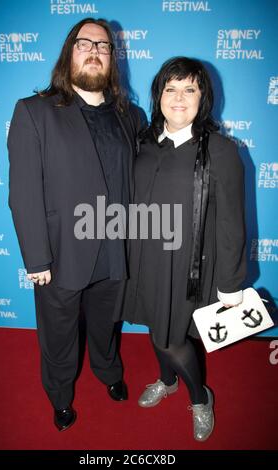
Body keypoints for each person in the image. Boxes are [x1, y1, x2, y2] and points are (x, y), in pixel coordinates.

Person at [8, 18, 143, 432]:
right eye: (84, 43)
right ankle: (61, 396)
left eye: (103, 46)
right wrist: (36, 257)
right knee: (60, 335)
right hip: (60, 253)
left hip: (115, 252)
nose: (94, 51)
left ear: (112, 59)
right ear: (69, 54)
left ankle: (108, 373)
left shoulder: (131, 116)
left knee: (106, 325)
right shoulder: (34, 111)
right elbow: (24, 191)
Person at [114, 57, 246, 441]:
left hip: (188, 265)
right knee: (158, 327)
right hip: (144, 259)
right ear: (158, 95)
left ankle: (199, 397)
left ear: (203, 97)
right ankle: (166, 380)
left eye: (189, 88)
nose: (178, 97)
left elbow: (231, 222)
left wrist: (231, 282)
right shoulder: (144, 142)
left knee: (170, 338)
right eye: (170, 88)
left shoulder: (219, 150)